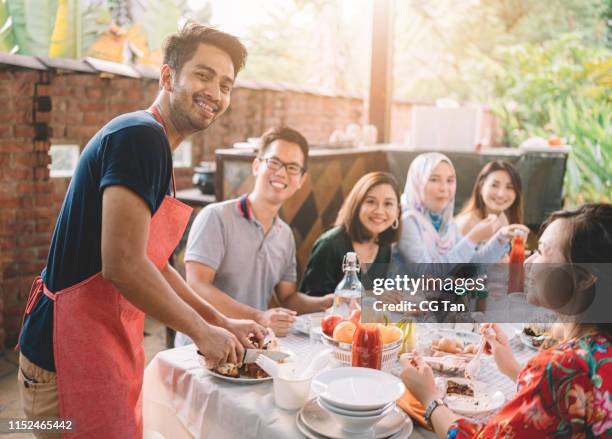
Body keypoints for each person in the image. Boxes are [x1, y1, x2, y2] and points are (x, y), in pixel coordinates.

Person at [16, 23, 265, 439]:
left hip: (95, 347)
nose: (215, 93)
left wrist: (222, 320)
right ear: (168, 76)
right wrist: (201, 333)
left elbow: (153, 263)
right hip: (64, 360)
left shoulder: (154, 144)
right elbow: (125, 265)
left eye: (226, 84)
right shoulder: (141, 138)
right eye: (203, 75)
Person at [400, 203, 612, 438]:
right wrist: (514, 369)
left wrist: (429, 399)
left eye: (541, 251)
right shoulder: (596, 351)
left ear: (583, 278)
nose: (528, 262)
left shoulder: (565, 365)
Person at [174, 126, 333, 345]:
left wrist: (323, 303)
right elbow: (197, 286)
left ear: (301, 180)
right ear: (257, 165)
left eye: (292, 167)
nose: (281, 172)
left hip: (251, 345)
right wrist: (258, 316)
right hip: (201, 344)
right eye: (274, 162)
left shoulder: (285, 235)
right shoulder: (216, 217)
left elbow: (288, 298)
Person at [392, 153, 528, 277]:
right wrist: (473, 238)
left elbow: (472, 267)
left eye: (450, 180)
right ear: (417, 182)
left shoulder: (445, 222)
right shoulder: (408, 221)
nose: (444, 188)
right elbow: (428, 274)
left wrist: (501, 238)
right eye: (434, 179)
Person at [301, 172, 401, 296]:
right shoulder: (329, 244)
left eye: (388, 204)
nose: (379, 211)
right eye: (370, 201)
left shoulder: (384, 246)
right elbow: (311, 303)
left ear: (397, 211)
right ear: (357, 205)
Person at [455, 160, 523, 237]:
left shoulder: (503, 219)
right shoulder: (465, 224)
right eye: (494, 185)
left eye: (509, 187)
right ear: (481, 187)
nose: (501, 194)